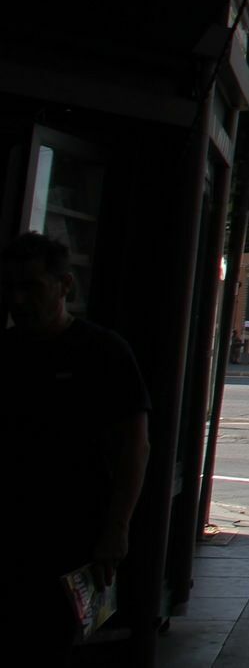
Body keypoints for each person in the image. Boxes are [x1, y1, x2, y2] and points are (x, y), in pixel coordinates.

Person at [0, 232, 151, 664]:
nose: (18, 300)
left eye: (31, 286)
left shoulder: (103, 352)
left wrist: (116, 530)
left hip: (74, 536)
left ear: (64, 286)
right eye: (9, 287)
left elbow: (134, 448)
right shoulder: (4, 352)